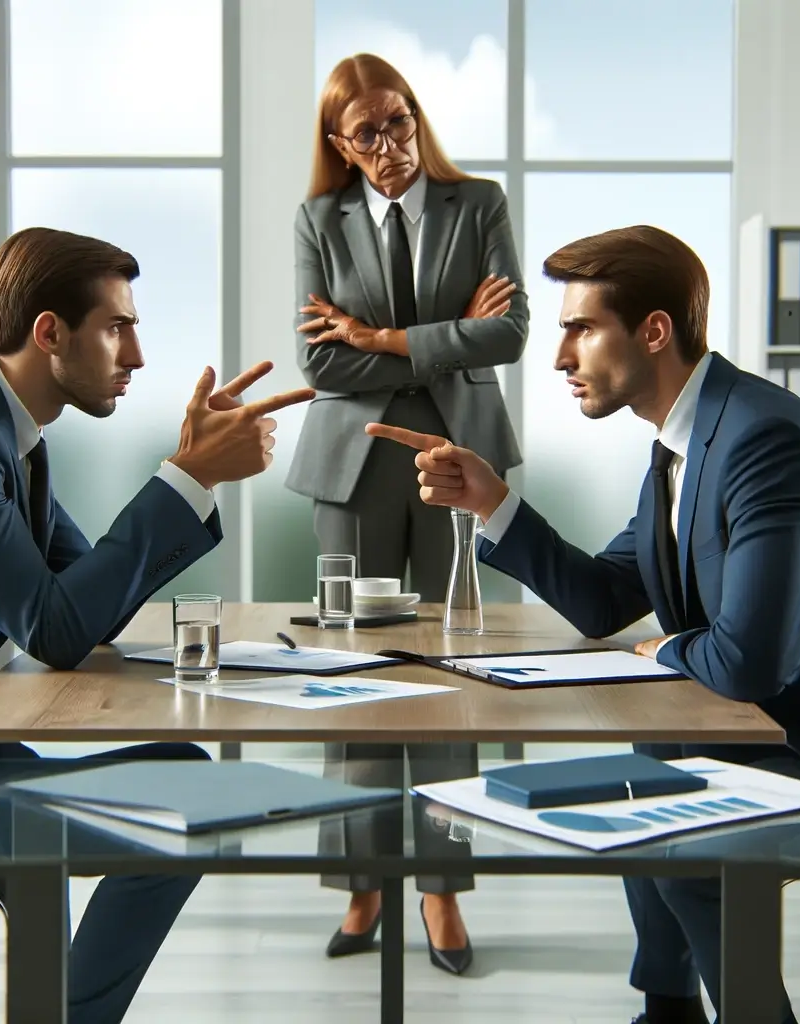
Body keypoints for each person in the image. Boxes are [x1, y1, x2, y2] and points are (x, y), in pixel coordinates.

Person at [366, 224, 800, 1023]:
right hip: (754, 727)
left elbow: (752, 663)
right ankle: (666, 1009)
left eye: (581, 329)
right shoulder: (682, 445)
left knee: (683, 832)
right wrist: (490, 501)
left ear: (655, 331)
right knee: (641, 772)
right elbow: (604, 599)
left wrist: (668, 645)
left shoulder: (761, 440)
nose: (562, 357)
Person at [0, 226, 314, 1024]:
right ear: (49, 333)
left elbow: (86, 610)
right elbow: (56, 629)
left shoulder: (6, 435)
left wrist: (188, 475)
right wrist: (188, 475)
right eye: (117, 327)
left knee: (185, 771)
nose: (135, 356)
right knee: (187, 803)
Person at [286, 52, 528, 973]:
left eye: (401, 120)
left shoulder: (479, 206)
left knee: (447, 671)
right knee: (357, 672)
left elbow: (507, 333)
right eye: (369, 133)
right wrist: (443, 339)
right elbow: (321, 367)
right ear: (341, 148)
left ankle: (440, 889)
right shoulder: (319, 219)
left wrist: (381, 337)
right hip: (352, 467)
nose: (392, 144)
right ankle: (360, 885)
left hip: (457, 459)